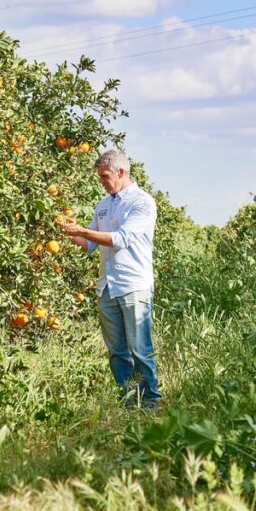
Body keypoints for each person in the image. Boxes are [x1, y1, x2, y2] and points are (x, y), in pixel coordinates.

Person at [63, 149, 161, 409]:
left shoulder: (142, 202)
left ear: (121, 172)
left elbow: (120, 239)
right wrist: (69, 231)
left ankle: (150, 400)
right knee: (117, 352)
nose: (102, 182)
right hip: (107, 286)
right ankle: (130, 399)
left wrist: (83, 230)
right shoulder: (103, 205)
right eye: (99, 178)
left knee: (139, 349)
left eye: (105, 176)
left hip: (133, 285)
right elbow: (88, 245)